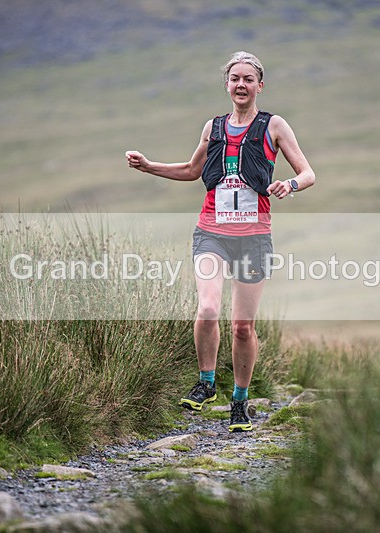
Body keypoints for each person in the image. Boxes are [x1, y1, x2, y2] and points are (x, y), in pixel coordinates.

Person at [126, 51, 315, 432]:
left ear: (260, 85)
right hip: (211, 232)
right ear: (227, 85)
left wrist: (289, 184)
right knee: (208, 309)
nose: (241, 85)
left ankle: (240, 402)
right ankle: (207, 383)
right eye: (235, 79)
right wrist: (148, 166)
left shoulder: (274, 125)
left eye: (249, 79)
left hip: (254, 237)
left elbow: (308, 172)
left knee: (242, 326)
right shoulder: (212, 128)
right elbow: (192, 170)